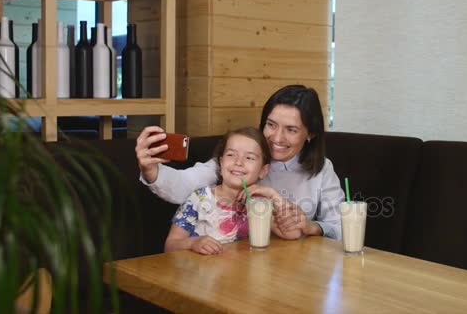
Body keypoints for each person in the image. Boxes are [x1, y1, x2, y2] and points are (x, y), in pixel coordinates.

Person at [137, 85, 344, 240]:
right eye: (271, 125)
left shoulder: (322, 169)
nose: (277, 138)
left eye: (291, 130)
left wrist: (312, 227)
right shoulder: (239, 160)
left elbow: (342, 226)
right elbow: (184, 185)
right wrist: (151, 169)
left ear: (311, 134)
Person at [164, 127, 298, 254]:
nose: (238, 162)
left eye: (249, 157)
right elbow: (170, 246)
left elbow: (292, 233)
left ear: (263, 171)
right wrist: (193, 243)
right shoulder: (199, 199)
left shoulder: (260, 205)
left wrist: (274, 195)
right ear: (221, 163)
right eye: (231, 155)